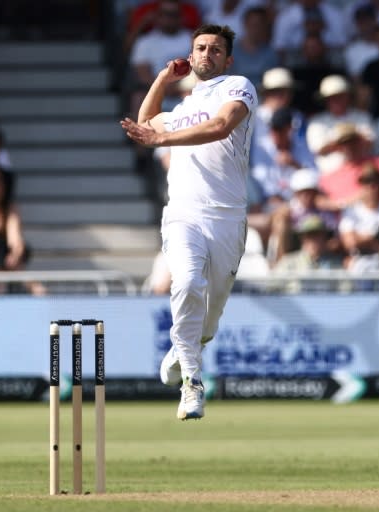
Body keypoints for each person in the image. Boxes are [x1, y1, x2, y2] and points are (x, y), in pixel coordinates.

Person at [120, 24, 257, 421]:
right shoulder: (180, 110)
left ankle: (184, 350)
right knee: (186, 282)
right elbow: (147, 124)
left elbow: (220, 127)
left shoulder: (239, 87)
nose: (207, 55)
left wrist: (161, 140)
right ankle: (192, 383)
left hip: (227, 216)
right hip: (182, 213)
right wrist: (163, 77)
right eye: (200, 48)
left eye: (216, 50)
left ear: (227, 59)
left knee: (209, 320)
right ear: (190, 56)